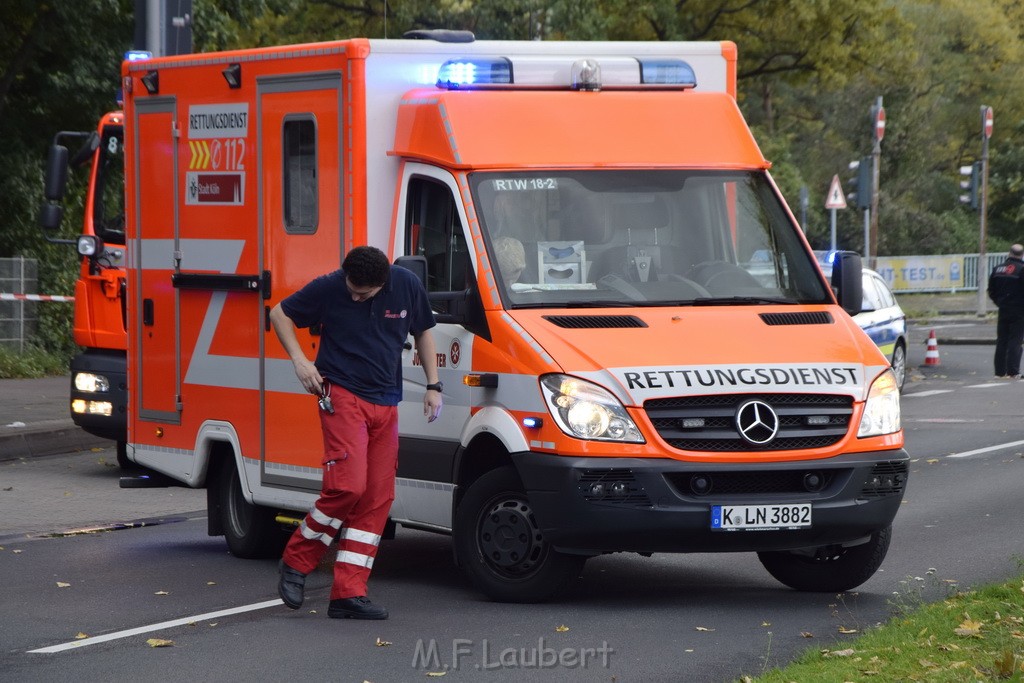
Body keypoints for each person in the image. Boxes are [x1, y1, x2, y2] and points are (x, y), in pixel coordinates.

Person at [269, 245, 442, 620]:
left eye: (363, 294)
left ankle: (348, 593)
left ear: (384, 283)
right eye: (351, 288)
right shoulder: (330, 286)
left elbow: (425, 333)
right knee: (347, 487)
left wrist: (433, 385)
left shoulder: (406, 285)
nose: (354, 296)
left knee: (379, 497)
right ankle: (296, 561)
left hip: (387, 401)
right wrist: (300, 361)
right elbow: (278, 313)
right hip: (342, 393)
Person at [987, 243, 1024, 378]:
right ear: (1022, 255)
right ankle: (1013, 371)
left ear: (1009, 253)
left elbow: (991, 290)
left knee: (1002, 340)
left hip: (1003, 309)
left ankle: (999, 372)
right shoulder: (1022, 269)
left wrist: (1000, 302)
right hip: (1019, 311)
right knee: (1015, 340)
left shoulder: (998, 269)